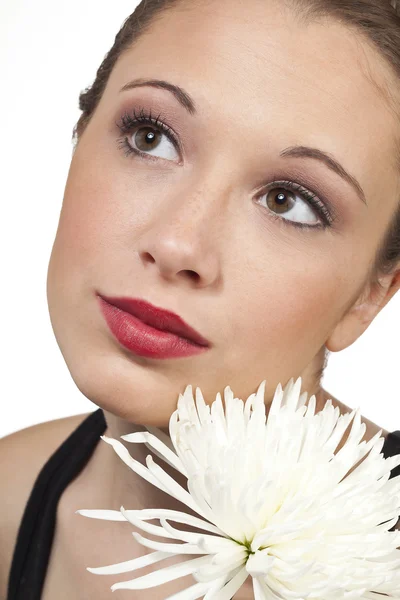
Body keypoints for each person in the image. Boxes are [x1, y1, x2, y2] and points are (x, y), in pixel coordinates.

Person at [2, 0, 400, 598]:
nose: (177, 243)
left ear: (369, 297)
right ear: (79, 135)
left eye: (289, 202)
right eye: (151, 137)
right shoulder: (10, 494)